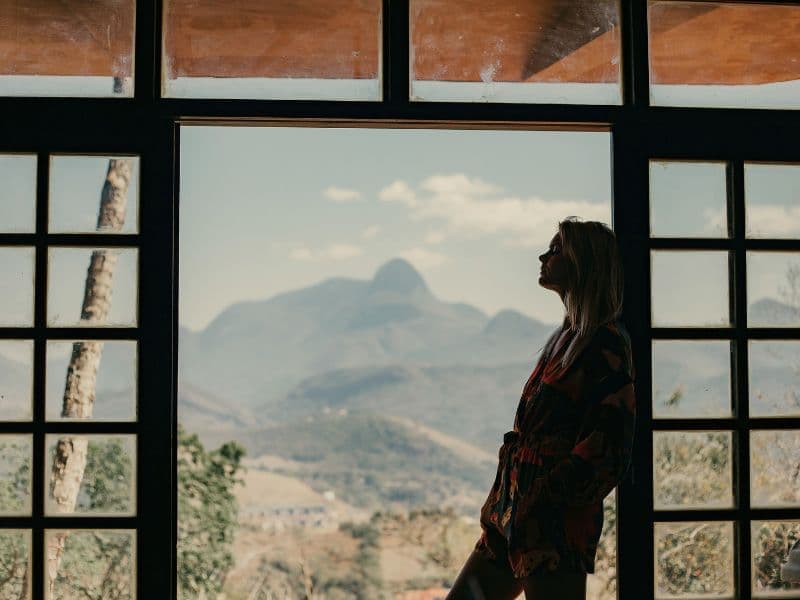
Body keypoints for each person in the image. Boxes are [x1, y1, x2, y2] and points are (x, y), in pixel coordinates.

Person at [447, 216, 637, 600]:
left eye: (555, 250)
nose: (543, 257)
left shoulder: (605, 346)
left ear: (582, 264)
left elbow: (608, 445)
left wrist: (547, 497)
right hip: (512, 519)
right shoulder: (564, 341)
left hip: (553, 528)